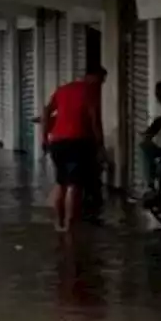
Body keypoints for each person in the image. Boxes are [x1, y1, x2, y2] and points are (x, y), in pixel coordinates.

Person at [43, 64, 107, 232]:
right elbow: (95, 122)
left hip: (57, 142)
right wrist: (100, 145)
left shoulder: (63, 90)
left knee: (60, 183)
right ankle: (70, 225)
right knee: (74, 185)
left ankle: (59, 223)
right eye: (100, 81)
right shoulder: (90, 92)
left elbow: (46, 112)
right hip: (78, 142)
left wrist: (44, 138)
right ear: (92, 77)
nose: (100, 85)